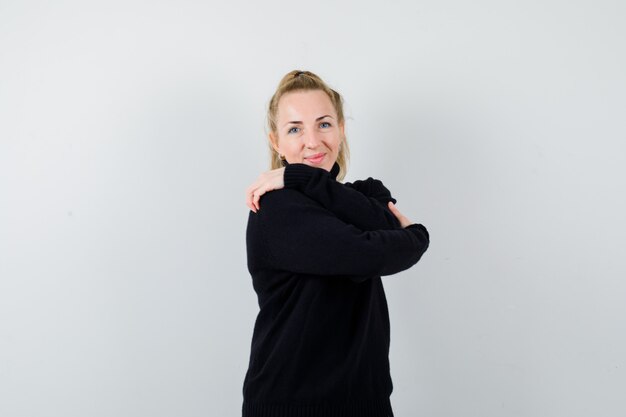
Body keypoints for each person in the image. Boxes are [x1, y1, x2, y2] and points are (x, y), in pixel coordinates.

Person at [241, 70, 430, 417]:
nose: (312, 141)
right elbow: (371, 253)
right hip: (293, 405)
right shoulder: (277, 209)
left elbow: (381, 222)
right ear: (276, 142)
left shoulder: (362, 196)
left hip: (367, 401)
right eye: (295, 129)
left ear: (341, 130)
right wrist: (416, 236)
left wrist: (300, 175)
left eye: (324, 124)